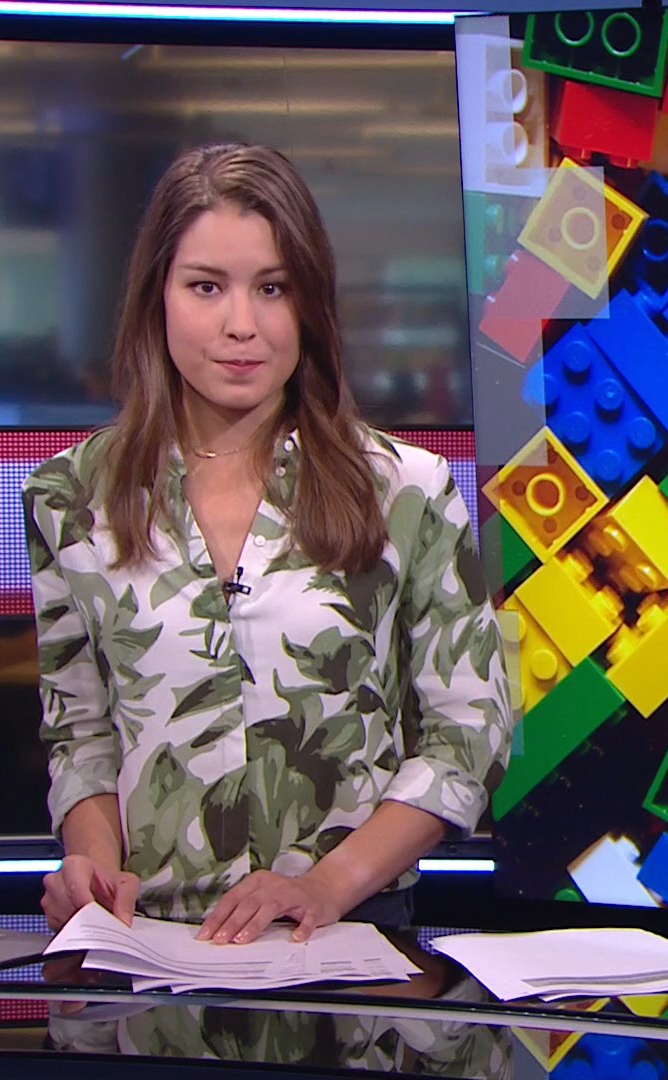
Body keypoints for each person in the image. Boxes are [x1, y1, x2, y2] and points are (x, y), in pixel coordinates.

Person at [27, 143, 512, 945]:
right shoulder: (71, 496)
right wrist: (93, 868)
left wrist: (327, 886)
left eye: (273, 288)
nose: (241, 325)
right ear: (157, 296)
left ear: (310, 304)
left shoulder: (406, 490)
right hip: (147, 947)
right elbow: (80, 731)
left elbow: (470, 731)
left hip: (342, 939)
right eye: (206, 286)